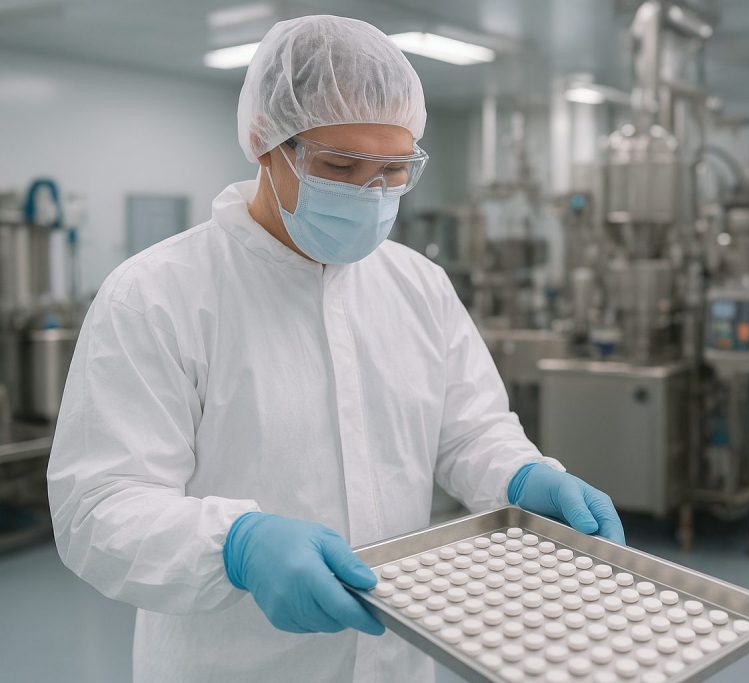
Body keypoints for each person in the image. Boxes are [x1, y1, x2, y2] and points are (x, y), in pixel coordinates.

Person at [46, 16, 624, 683]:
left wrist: (521, 477)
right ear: (265, 142)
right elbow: (100, 508)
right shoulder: (156, 296)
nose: (369, 193)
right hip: (233, 665)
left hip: (399, 659)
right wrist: (235, 544)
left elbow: (468, 432)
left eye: (394, 170)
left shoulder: (418, 285)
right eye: (340, 166)